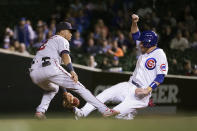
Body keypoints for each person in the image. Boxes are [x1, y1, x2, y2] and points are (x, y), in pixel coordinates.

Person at [74, 14, 168, 120]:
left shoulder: (159, 54)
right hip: (129, 85)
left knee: (111, 115)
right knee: (104, 95)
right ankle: (82, 113)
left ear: (149, 44)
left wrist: (148, 90)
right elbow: (135, 34)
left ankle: (127, 116)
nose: (140, 44)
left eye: (142, 43)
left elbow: (161, 76)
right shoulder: (144, 48)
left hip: (141, 95)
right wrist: (134, 22)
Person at [29, 22, 119, 119]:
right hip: (50, 67)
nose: (71, 34)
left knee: (53, 88)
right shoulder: (61, 39)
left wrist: (65, 93)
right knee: (80, 87)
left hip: (34, 73)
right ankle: (105, 110)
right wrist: (72, 71)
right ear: (62, 31)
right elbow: (65, 56)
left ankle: (40, 112)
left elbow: (55, 76)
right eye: (69, 31)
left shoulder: (49, 42)